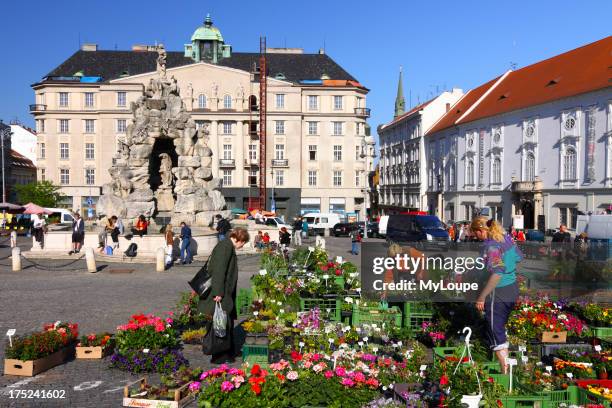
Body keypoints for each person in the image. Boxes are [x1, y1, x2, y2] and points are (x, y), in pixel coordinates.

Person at [471, 216, 523, 374]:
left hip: (498, 291)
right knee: (499, 327)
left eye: (475, 234)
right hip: (512, 288)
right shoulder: (506, 239)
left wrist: (481, 296)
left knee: (495, 330)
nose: (475, 237)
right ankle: (506, 370)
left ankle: (505, 374)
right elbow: (519, 257)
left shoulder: (492, 246)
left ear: (481, 231)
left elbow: (497, 273)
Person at [198, 228, 250, 364]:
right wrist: (218, 293)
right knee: (220, 323)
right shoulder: (225, 247)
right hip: (221, 293)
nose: (242, 246)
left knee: (225, 322)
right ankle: (219, 354)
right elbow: (219, 271)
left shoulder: (227, 246)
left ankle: (228, 351)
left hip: (224, 291)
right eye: (243, 243)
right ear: (239, 240)